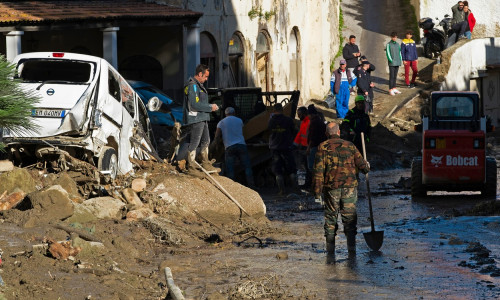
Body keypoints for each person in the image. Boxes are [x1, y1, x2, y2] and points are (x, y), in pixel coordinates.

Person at [313, 122, 370, 259]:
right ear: (338, 132)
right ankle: (352, 252)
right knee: (350, 220)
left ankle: (330, 253)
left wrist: (317, 192)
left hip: (332, 189)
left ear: (327, 133)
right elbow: (363, 167)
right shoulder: (350, 145)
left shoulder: (322, 147)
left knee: (331, 219)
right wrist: (367, 166)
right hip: (349, 188)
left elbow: (318, 172)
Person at [181, 64, 219, 171]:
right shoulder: (192, 85)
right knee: (195, 141)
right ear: (200, 74)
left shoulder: (198, 86)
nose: (206, 79)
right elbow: (195, 104)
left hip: (202, 118)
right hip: (196, 118)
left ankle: (205, 162)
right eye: (205, 76)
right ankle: (191, 165)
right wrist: (210, 107)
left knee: (206, 140)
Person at [214, 107, 255, 187]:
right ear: (234, 113)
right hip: (241, 145)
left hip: (229, 147)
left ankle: (232, 187)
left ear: (225, 114)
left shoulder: (221, 122)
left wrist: (217, 146)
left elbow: (217, 137)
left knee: (230, 168)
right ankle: (251, 185)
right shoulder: (239, 120)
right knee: (247, 167)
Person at [268, 103, 297, 195]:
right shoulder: (288, 120)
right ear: (282, 110)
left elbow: (269, 130)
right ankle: (296, 189)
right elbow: (294, 131)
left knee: (278, 170)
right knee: (291, 168)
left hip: (275, 148)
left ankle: (282, 190)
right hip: (287, 147)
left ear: (274, 110)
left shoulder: (271, 121)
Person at [306, 104, 327, 181]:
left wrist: (308, 148)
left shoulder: (314, 123)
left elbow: (312, 137)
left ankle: (316, 184)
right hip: (321, 146)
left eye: (308, 115)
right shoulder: (320, 120)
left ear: (311, 115)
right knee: (319, 166)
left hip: (314, 146)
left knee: (312, 167)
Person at [293, 107, 310, 186]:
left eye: (299, 114)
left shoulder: (308, 122)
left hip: (308, 147)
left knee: (308, 166)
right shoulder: (303, 122)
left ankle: (309, 182)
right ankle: (306, 182)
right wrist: (295, 144)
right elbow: (300, 134)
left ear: (304, 114)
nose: (298, 116)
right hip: (304, 146)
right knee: (305, 166)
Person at [386, 32, 402, 96]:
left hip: (397, 62)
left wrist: (400, 59)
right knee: (391, 76)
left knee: (395, 76)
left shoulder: (398, 44)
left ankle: (394, 88)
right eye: (393, 37)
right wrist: (391, 60)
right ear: (391, 37)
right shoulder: (388, 44)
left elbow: (399, 52)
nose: (394, 38)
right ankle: (390, 89)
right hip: (392, 63)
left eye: (395, 37)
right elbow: (388, 53)